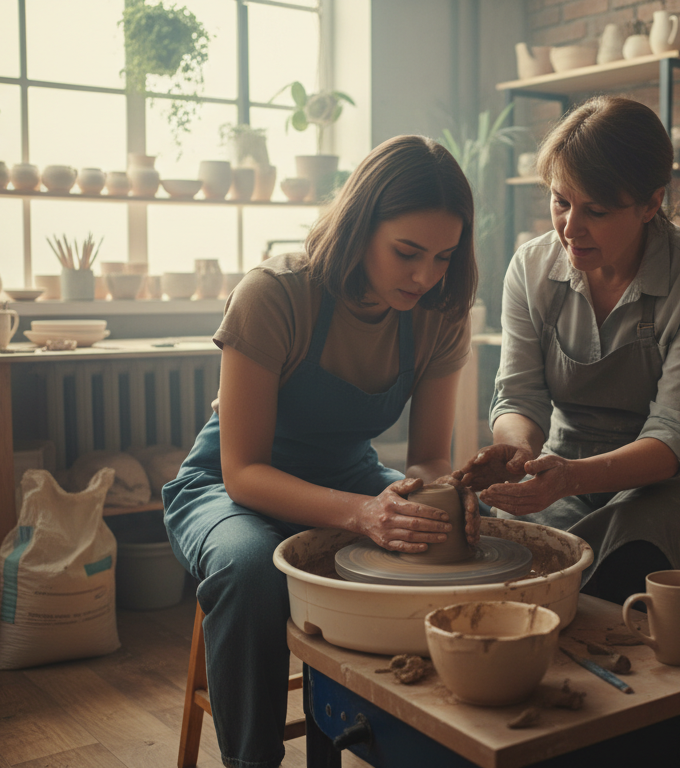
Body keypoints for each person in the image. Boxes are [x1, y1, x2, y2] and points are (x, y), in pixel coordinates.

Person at [163, 135, 480, 768]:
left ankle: (414, 738)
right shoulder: (276, 294)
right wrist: (364, 514)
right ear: (361, 226)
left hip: (351, 475)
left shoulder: (440, 315)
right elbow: (244, 470)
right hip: (228, 489)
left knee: (463, 532)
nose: (425, 276)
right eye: (407, 253)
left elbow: (426, 461)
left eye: (444, 257)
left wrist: (444, 496)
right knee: (251, 568)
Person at [455, 96, 680, 605]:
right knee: (522, 556)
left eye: (597, 210)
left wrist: (569, 479)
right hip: (564, 463)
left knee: (621, 569)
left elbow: (673, 436)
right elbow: (518, 394)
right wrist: (522, 452)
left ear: (651, 204)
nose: (570, 228)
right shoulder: (532, 267)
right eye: (560, 201)